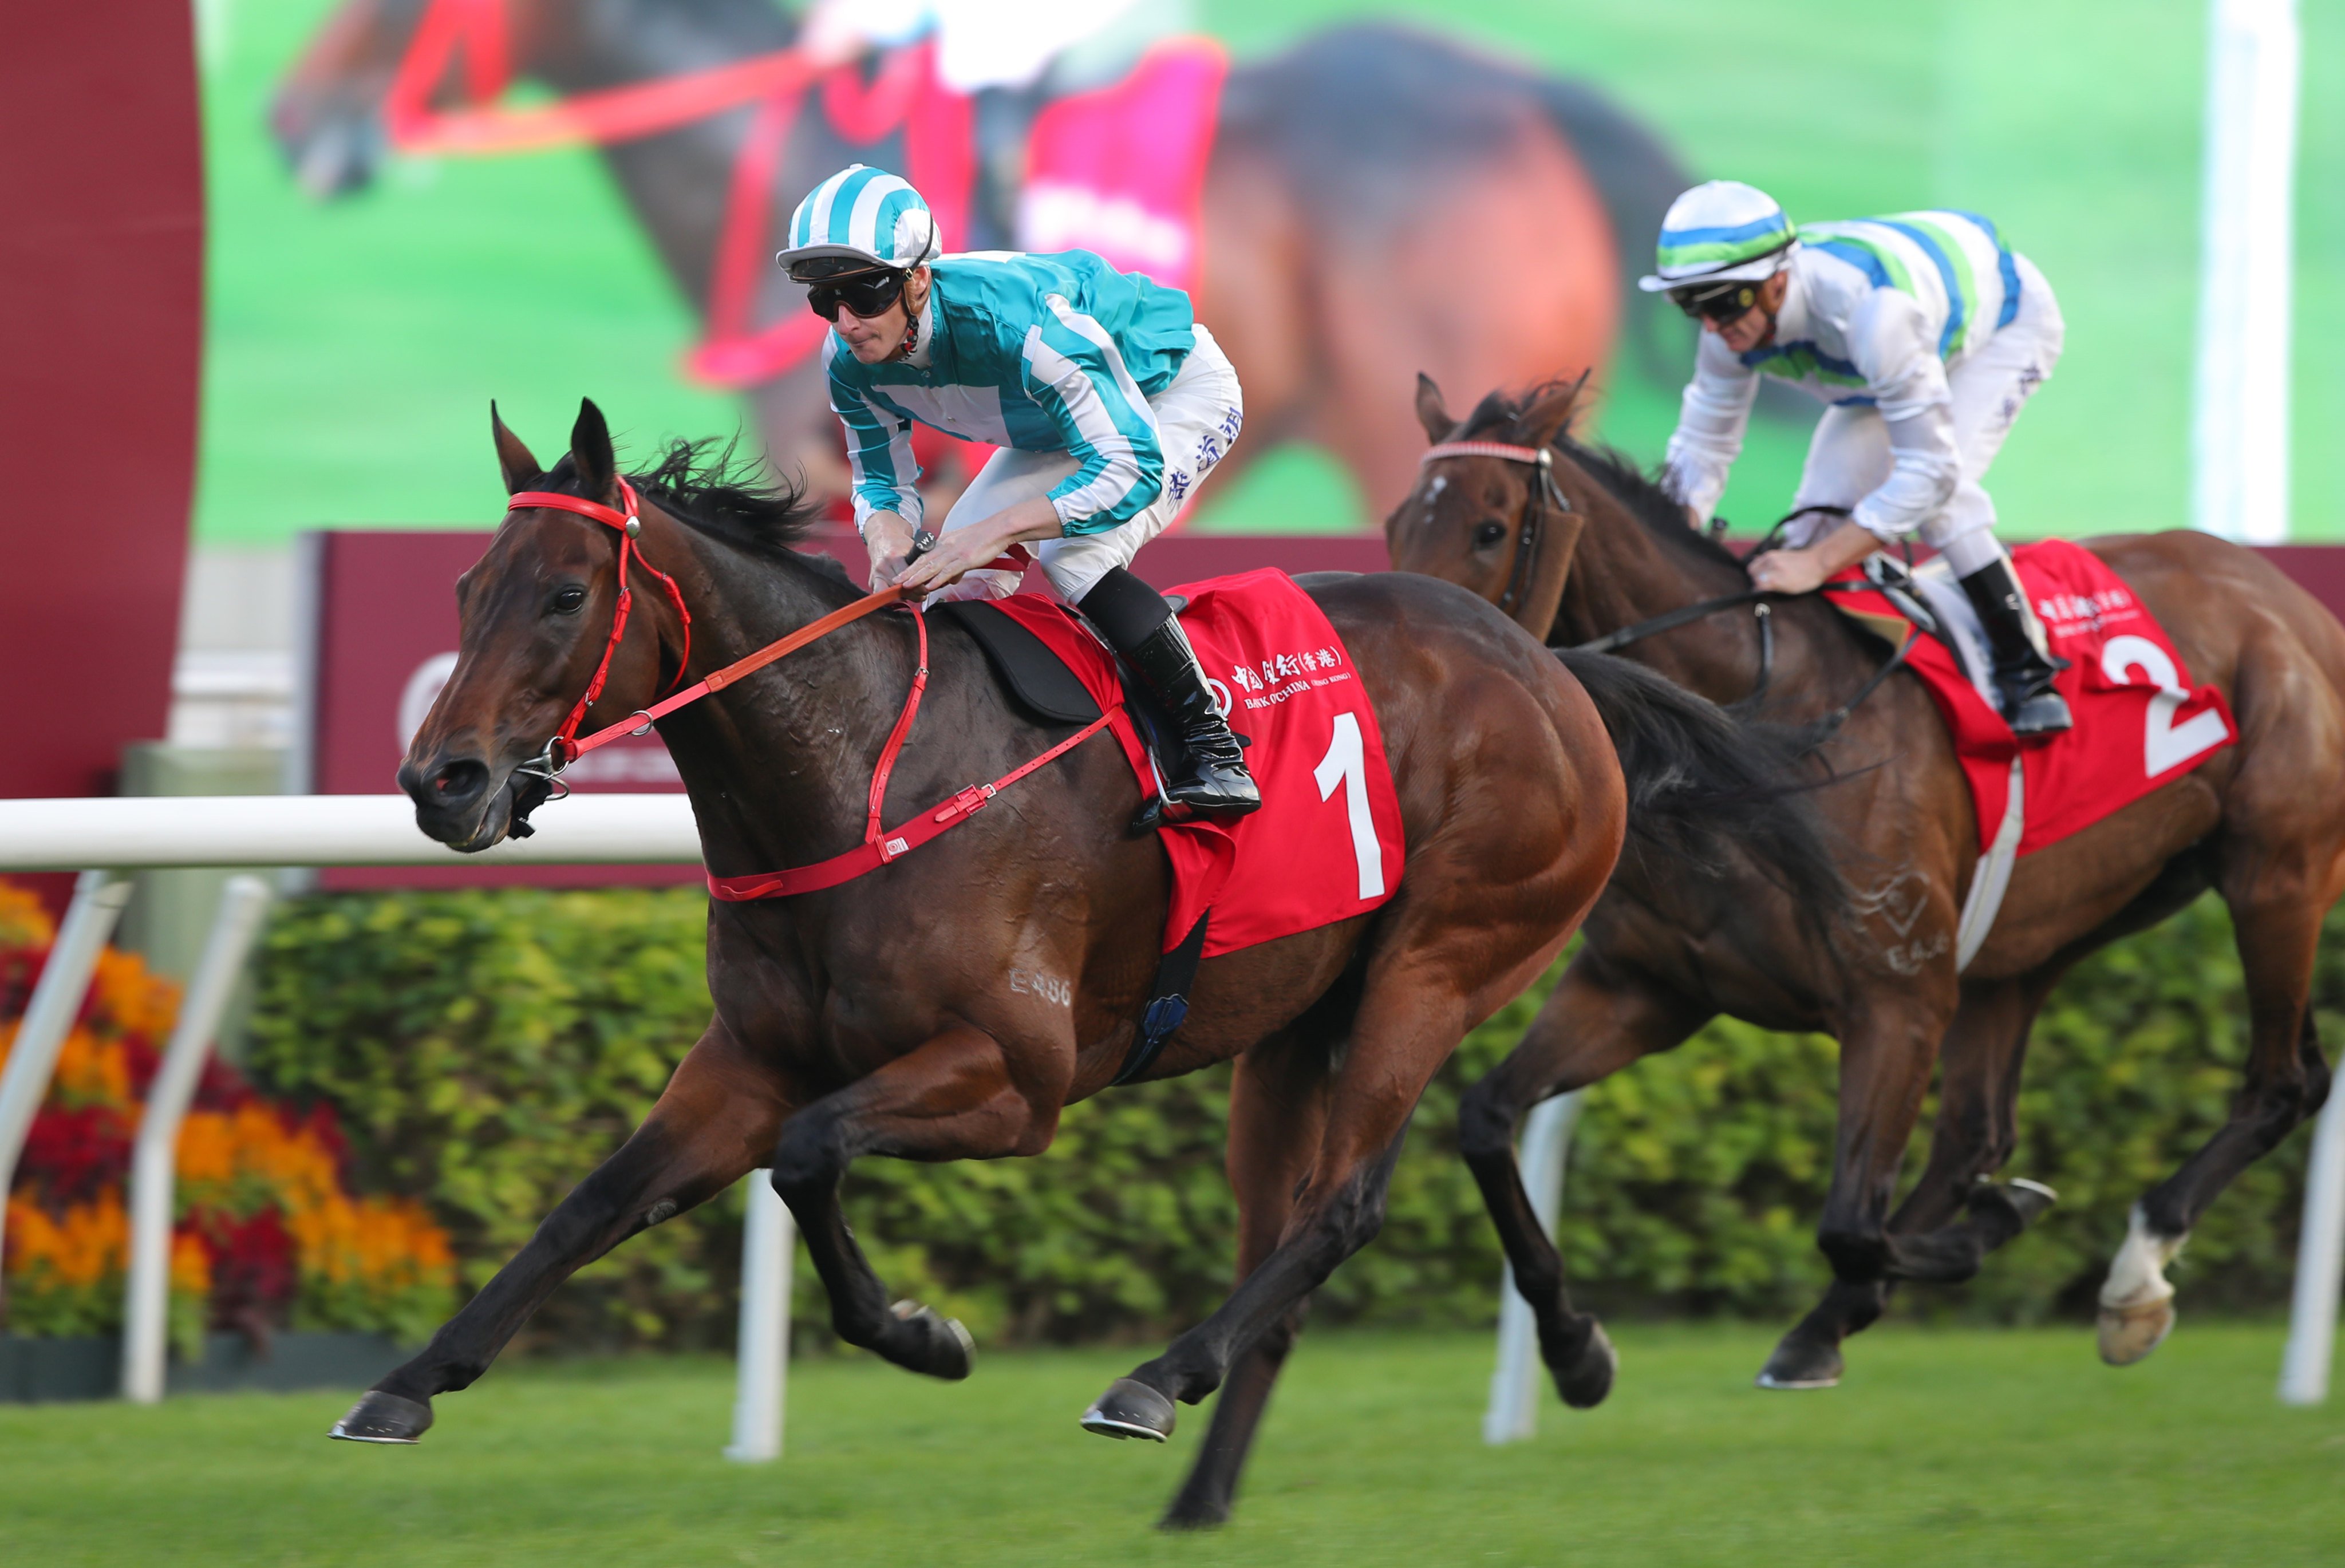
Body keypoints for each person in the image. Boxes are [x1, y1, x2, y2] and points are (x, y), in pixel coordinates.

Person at [777, 163, 1258, 818]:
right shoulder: (848, 367)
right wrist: (887, 539)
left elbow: (1130, 467)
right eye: (823, 301)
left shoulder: (1024, 327)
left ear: (918, 280)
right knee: (944, 584)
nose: (846, 321)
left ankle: (1216, 750)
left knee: (1075, 557)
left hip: (1169, 397)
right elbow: (880, 481)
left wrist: (992, 533)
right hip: (1062, 425)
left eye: (863, 295)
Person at [1643, 180, 2072, 734]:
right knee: (1813, 522)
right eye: (1687, 306)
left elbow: (1930, 474)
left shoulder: (1874, 315)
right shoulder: (1726, 328)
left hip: (1997, 330)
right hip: (1882, 363)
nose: (1710, 327)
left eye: (1721, 303)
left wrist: (1820, 565)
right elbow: (1701, 449)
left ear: (1777, 283)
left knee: (1941, 494)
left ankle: (2029, 670)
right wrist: (1666, 545)